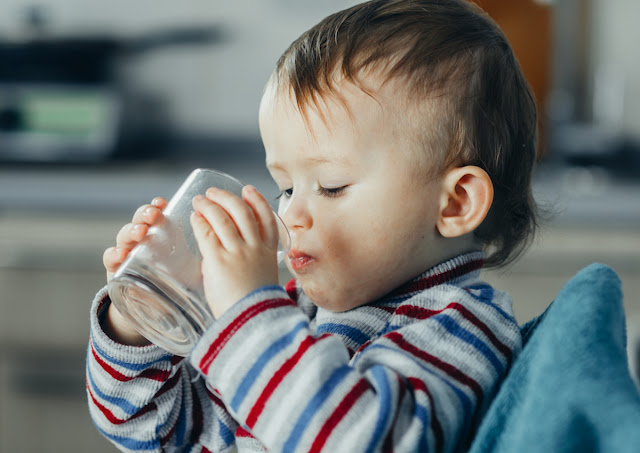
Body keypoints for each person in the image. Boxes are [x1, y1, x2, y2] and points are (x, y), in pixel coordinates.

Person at [86, 0, 539, 451]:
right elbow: (157, 434)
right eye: (285, 188)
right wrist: (137, 323)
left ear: (455, 203)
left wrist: (247, 313)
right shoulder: (291, 314)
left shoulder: (457, 329)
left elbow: (360, 440)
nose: (290, 216)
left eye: (331, 186)